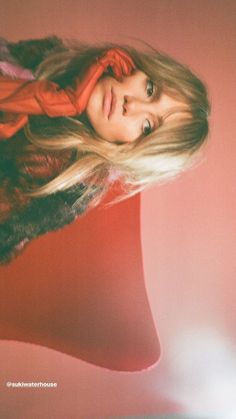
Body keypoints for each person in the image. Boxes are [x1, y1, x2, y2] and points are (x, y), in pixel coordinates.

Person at [0, 36, 210, 263]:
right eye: (150, 89)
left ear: (135, 152)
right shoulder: (51, 56)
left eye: (147, 127)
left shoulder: (66, 185)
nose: (132, 104)